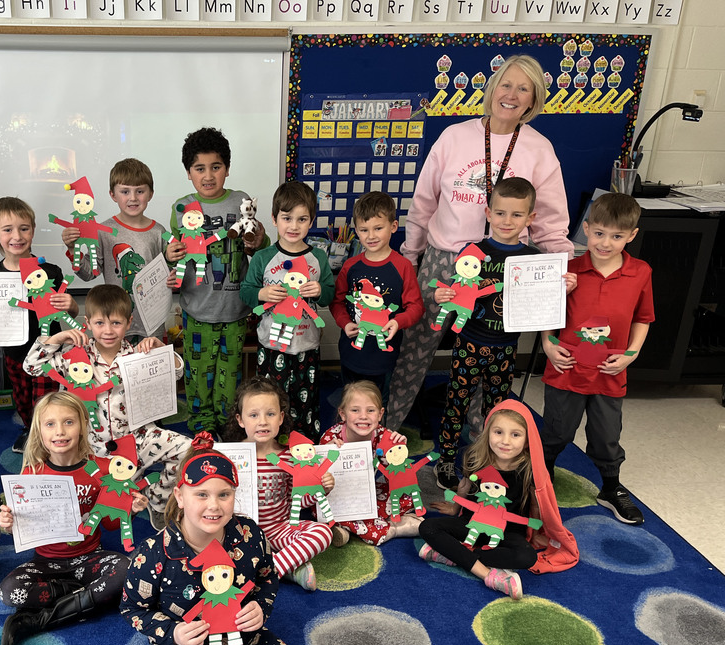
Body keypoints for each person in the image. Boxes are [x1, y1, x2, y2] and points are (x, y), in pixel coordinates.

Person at [120, 433, 350, 645]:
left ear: (233, 496)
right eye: (201, 494)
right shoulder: (154, 552)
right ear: (180, 496)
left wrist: (261, 607)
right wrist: (172, 634)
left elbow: (267, 578)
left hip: (247, 641)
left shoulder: (251, 535)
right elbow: (132, 608)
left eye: (223, 494)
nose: (213, 505)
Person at [390, 54, 574, 430]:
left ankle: (479, 437)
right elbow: (424, 203)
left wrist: (561, 270)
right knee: (415, 349)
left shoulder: (540, 150)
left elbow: (551, 223)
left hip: (503, 266)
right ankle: (388, 426)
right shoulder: (455, 136)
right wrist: (410, 256)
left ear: (534, 98)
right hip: (444, 259)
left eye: (524, 88)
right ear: (492, 89)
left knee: (486, 356)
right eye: (506, 84)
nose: (512, 95)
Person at [432, 177, 577, 490]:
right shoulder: (472, 253)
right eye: (500, 213)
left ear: (530, 218)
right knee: (456, 402)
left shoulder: (535, 260)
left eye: (516, 214)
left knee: (498, 409)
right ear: (487, 213)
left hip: (506, 348)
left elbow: (546, 305)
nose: (507, 221)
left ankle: (491, 461)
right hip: (469, 343)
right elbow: (456, 292)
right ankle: (445, 458)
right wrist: (443, 296)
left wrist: (561, 288)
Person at [23, 284, 190, 524]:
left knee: (186, 449)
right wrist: (56, 338)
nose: (108, 331)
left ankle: (156, 502)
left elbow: (177, 373)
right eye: (100, 323)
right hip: (91, 448)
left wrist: (162, 351)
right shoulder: (74, 356)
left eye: (116, 323)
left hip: (137, 439)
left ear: (129, 322)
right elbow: (31, 367)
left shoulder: (137, 354)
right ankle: (122, 489)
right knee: (95, 515)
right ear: (88, 323)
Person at [0, 391, 144, 645]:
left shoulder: (103, 470)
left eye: (69, 422)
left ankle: (38, 620)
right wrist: (8, 524)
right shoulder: (32, 473)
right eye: (50, 424)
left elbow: (108, 525)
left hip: (89, 558)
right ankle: (80, 594)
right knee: (8, 591)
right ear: (39, 430)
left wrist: (127, 509)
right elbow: (22, 526)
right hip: (46, 563)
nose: (60, 431)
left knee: (125, 569)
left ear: (83, 425)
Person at [540, 192, 653, 525]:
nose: (606, 243)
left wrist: (631, 355)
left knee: (606, 435)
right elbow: (546, 311)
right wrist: (548, 343)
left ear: (631, 235)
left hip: (610, 372)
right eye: (599, 233)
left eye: (617, 236)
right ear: (586, 229)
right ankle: (541, 478)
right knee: (557, 431)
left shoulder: (640, 272)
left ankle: (611, 487)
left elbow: (643, 318)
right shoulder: (568, 270)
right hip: (566, 368)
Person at [419, 400, 578, 599]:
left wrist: (537, 532)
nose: (505, 441)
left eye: (515, 434)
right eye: (498, 432)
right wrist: (453, 507)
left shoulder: (529, 469)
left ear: (528, 440)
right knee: (427, 527)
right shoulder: (476, 458)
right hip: (470, 523)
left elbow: (538, 501)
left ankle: (453, 555)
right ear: (487, 433)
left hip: (506, 532)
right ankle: (487, 574)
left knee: (526, 557)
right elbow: (465, 485)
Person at [166, 126, 267, 435]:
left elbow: (260, 246)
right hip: (197, 310)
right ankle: (202, 428)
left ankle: (228, 426)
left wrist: (259, 239)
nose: (208, 175)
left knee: (230, 374)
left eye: (216, 167)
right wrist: (171, 255)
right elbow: (174, 252)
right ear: (188, 172)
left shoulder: (241, 200)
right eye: (199, 168)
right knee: (198, 375)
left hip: (235, 310)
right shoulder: (181, 207)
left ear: (227, 168)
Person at [0, 196, 79, 453]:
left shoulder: (51, 271)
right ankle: (30, 429)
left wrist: (70, 304)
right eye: (7, 229)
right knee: (23, 399)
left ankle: (50, 439)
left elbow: (70, 311)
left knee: (47, 400)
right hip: (14, 352)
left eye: (24, 228)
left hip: (49, 350)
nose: (17, 236)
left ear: (33, 230)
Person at [240, 181, 334, 435]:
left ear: (311, 221)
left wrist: (320, 291)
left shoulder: (319, 258)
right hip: (271, 346)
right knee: (271, 400)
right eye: (287, 218)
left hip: (307, 345)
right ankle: (272, 442)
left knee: (306, 400)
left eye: (302, 219)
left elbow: (329, 295)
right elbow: (246, 291)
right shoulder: (263, 257)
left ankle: (304, 444)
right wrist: (262, 293)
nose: (294, 226)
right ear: (274, 219)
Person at [223, 377, 333, 591]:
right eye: (253, 415)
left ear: (281, 418)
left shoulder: (291, 456)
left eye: (270, 414)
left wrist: (321, 488)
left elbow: (298, 502)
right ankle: (292, 568)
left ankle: (271, 569)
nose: (262, 421)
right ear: (240, 420)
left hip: (279, 530)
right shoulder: (230, 455)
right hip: (239, 532)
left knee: (323, 532)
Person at [330, 191, 423, 422]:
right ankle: (349, 443)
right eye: (364, 230)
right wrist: (345, 322)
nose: (371, 236)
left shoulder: (402, 266)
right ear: (356, 231)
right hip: (352, 352)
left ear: (393, 226)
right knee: (350, 403)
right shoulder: (350, 266)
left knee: (378, 405)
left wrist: (398, 321)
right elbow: (338, 302)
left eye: (378, 228)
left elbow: (416, 307)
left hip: (383, 357)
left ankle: (375, 446)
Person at [60, 158, 168, 341]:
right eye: (125, 191)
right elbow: (89, 274)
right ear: (113, 195)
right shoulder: (103, 232)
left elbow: (170, 269)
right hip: (116, 327)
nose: (133, 198)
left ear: (150, 194)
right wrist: (72, 249)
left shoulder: (160, 231)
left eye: (140, 191)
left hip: (152, 326)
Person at [319, 380, 420, 546]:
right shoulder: (331, 438)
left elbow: (399, 478)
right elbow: (316, 479)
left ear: (380, 415)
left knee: (406, 496)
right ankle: (394, 528)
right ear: (343, 414)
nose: (363, 416)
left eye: (370, 410)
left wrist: (399, 453)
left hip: (367, 493)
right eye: (355, 410)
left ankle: (347, 529)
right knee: (323, 509)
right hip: (338, 495)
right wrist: (325, 457)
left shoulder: (384, 436)